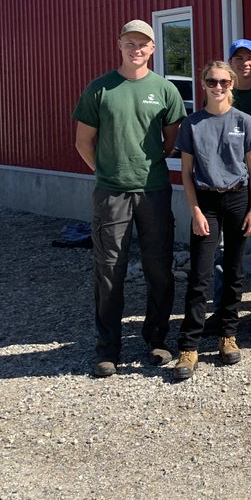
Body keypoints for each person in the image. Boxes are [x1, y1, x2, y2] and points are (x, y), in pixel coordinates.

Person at [73, 19, 186, 378]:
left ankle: (157, 340)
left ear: (153, 49)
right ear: (119, 44)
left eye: (143, 44)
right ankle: (107, 349)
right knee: (109, 271)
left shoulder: (165, 89)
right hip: (112, 194)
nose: (136, 49)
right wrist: (105, 172)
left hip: (153, 191)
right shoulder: (99, 89)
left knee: (159, 269)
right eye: (130, 42)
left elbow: (170, 140)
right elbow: (83, 141)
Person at [170, 61, 251, 380]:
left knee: (235, 271)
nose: (218, 87)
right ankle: (189, 345)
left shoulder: (245, 121)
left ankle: (228, 335)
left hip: (238, 198)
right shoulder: (192, 124)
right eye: (212, 81)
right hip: (206, 201)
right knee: (200, 274)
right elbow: (185, 173)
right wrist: (194, 210)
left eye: (224, 82)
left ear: (233, 84)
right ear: (203, 83)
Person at [202, 39, 251, 334]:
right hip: (227, 188)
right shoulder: (220, 98)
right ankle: (222, 311)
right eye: (238, 57)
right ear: (230, 64)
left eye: (250, 57)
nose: (245, 62)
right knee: (224, 255)